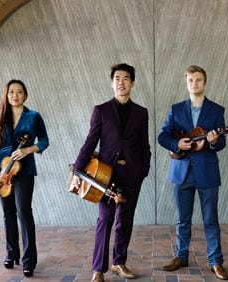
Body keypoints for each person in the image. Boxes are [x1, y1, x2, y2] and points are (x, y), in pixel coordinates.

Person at [67, 63, 151, 282]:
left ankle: (119, 262)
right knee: (105, 219)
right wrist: (77, 168)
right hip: (105, 174)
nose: (121, 82)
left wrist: (143, 170)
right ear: (112, 82)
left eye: (125, 78)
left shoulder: (142, 113)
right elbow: (90, 141)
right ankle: (98, 269)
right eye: (117, 78)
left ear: (132, 83)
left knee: (125, 220)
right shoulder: (101, 110)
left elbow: (144, 144)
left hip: (132, 174)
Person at [157, 65, 228, 280]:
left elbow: (222, 142)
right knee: (182, 219)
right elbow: (163, 136)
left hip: (207, 171)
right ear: (186, 83)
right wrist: (177, 143)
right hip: (182, 171)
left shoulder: (217, 110)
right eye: (191, 80)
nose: (195, 83)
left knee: (210, 219)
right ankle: (181, 256)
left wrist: (215, 141)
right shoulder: (176, 109)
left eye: (198, 80)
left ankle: (216, 261)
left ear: (204, 83)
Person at [0, 79, 49, 278]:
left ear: (25, 95)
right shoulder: (1, 119)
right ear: (7, 95)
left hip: (25, 171)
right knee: (8, 213)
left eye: (19, 92)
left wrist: (29, 149)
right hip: (3, 172)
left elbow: (45, 140)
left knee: (24, 212)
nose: (15, 95)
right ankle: (12, 254)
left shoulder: (33, 117)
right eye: (11, 92)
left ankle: (29, 261)